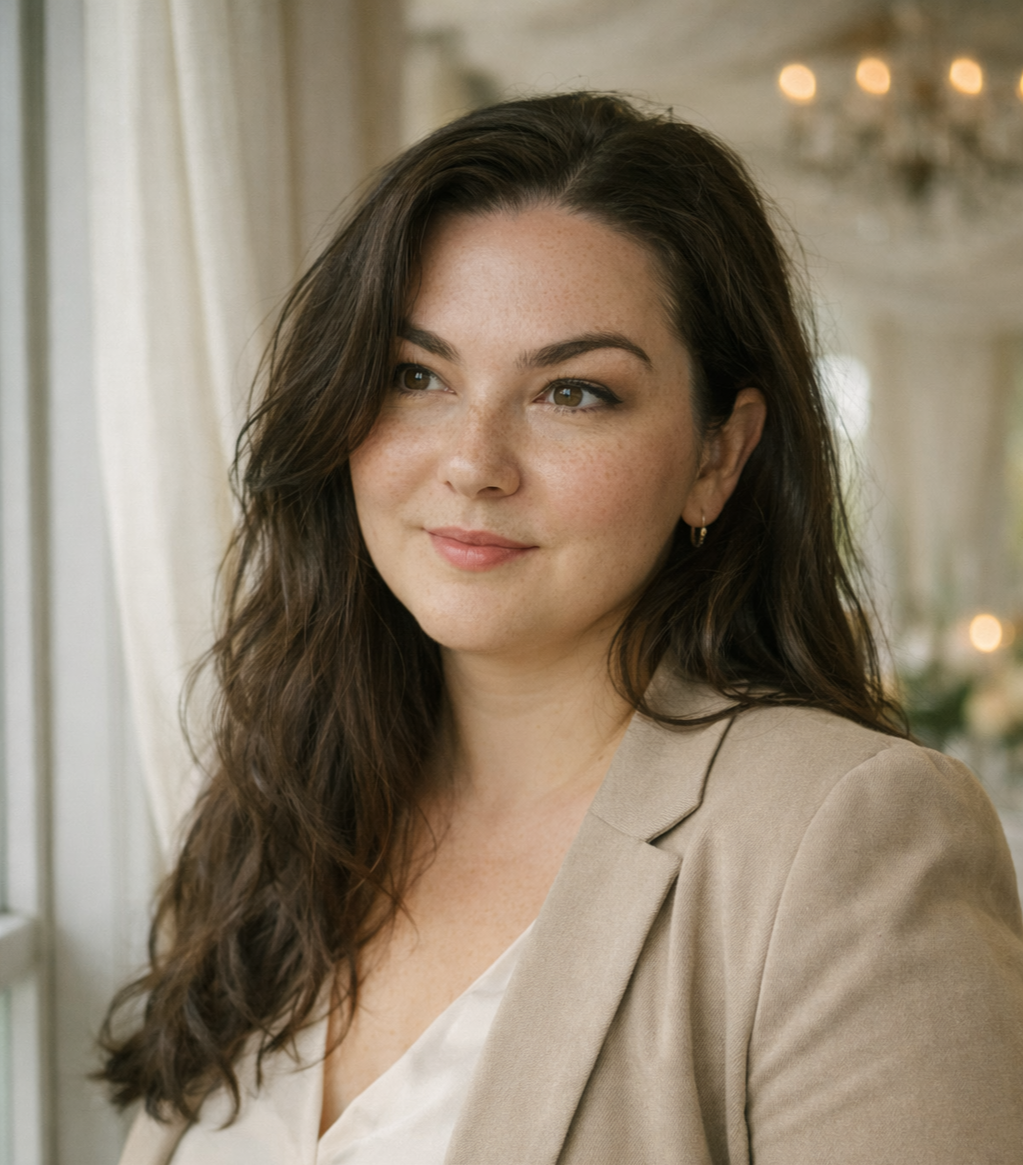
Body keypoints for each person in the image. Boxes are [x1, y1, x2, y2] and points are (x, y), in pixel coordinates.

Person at [102, 93, 1023, 1164]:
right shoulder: (280, 804)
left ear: (719, 455)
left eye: (574, 393)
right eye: (416, 376)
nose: (474, 461)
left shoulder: (846, 839)